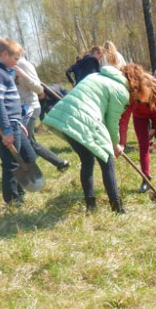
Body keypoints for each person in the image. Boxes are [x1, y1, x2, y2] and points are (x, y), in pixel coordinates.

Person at [44, 63, 130, 213]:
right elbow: (111, 122)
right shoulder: (121, 90)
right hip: (85, 120)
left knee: (87, 160)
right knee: (107, 160)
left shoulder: (95, 75)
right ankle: (117, 208)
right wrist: (115, 144)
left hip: (66, 118)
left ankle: (90, 206)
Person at [0, 37, 37, 206]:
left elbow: (8, 102)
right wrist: (6, 130)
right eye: (15, 58)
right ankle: (13, 201)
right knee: (11, 163)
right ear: (4, 54)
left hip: (14, 122)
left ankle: (20, 191)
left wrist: (18, 123)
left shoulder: (3, 72)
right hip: (6, 125)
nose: (16, 62)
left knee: (29, 155)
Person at [119, 63, 156, 192]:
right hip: (140, 116)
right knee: (143, 144)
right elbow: (124, 119)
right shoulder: (128, 92)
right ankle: (146, 178)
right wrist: (122, 143)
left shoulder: (155, 85)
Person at [14, 55, 71, 172]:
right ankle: (60, 162)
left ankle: (28, 169)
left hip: (29, 106)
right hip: (18, 108)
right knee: (29, 141)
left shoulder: (22, 65)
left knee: (24, 140)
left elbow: (38, 88)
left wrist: (23, 75)